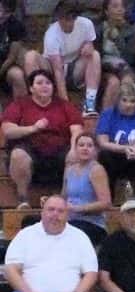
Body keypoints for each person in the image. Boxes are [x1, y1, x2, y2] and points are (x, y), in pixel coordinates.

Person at [1, 68, 83, 209]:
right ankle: (23, 200)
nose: (45, 86)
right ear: (31, 88)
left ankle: (64, 201)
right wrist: (33, 128)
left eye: (48, 83)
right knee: (18, 155)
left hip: (59, 152)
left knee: (76, 153)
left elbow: (77, 130)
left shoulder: (64, 105)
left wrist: (74, 148)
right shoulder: (20, 104)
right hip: (30, 150)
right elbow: (8, 130)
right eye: (39, 83)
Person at [42, 0, 102, 115]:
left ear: (75, 18)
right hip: (55, 71)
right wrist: (66, 104)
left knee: (95, 55)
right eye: (61, 19)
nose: (64, 23)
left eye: (69, 19)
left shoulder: (86, 24)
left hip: (75, 68)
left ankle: (89, 104)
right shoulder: (51, 35)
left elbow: (90, 44)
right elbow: (58, 70)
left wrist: (88, 45)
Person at [62, 131, 111, 247]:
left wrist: (78, 209)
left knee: (71, 233)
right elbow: (63, 197)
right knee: (32, 221)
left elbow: (106, 203)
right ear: (75, 149)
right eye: (81, 145)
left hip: (91, 223)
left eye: (89, 145)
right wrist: (49, 200)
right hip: (69, 221)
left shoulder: (96, 170)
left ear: (95, 150)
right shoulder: (69, 170)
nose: (85, 148)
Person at [95, 0, 135, 111]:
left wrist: (118, 36)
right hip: (104, 69)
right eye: (115, 6)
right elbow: (96, 54)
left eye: (122, 7)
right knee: (113, 83)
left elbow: (130, 57)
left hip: (125, 67)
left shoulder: (131, 29)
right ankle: (106, 118)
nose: (120, 9)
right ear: (106, 11)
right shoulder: (98, 29)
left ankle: (126, 116)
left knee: (127, 81)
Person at [0, 0, 42, 99]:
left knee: (17, 75)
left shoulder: (15, 25)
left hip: (5, 66)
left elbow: (11, 58)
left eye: (5, 12)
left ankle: (27, 105)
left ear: (10, 12)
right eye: (0, 9)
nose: (1, 14)